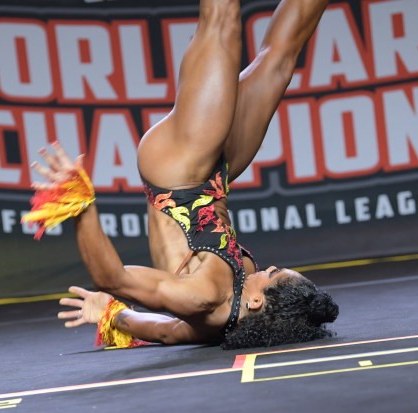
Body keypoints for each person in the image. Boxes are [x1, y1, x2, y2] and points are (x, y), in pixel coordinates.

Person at [28, 0, 337, 350]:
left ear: (256, 301)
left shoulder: (202, 296)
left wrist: (80, 206)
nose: (268, 268)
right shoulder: (224, 324)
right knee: (279, 60)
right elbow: (168, 332)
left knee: (222, 22)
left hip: (178, 168)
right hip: (215, 175)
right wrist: (114, 316)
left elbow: (113, 279)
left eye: (273, 274)